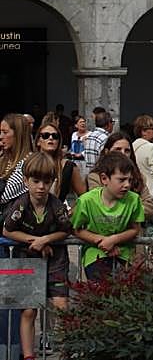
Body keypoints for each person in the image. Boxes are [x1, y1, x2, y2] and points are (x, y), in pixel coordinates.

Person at [2, 153, 72, 360]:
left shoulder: (56, 205)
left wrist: (47, 239)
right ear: (26, 181)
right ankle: (28, 355)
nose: (41, 187)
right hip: (28, 258)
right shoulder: (20, 204)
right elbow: (7, 230)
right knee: (29, 310)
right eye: (36, 181)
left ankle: (66, 351)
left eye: (46, 181)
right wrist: (35, 241)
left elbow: (66, 230)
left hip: (56, 259)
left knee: (61, 305)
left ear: (53, 182)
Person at [72, 152, 144, 281]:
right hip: (95, 253)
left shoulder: (134, 200)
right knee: (100, 286)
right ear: (104, 179)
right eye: (121, 180)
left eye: (130, 180)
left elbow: (135, 229)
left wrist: (114, 240)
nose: (127, 185)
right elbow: (76, 229)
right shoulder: (86, 201)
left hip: (123, 253)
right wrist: (101, 241)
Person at [86, 132, 153, 220]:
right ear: (107, 151)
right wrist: (132, 208)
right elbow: (99, 208)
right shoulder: (95, 177)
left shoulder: (138, 177)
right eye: (118, 149)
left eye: (127, 151)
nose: (123, 153)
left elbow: (149, 209)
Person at [34, 121, 86, 202]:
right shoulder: (29, 163)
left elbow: (84, 197)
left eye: (55, 136)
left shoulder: (68, 166)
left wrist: (72, 209)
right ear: (38, 141)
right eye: (45, 135)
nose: (50, 138)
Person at [0, 113, 32, 212]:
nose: (1, 136)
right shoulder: (5, 159)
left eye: (5, 132)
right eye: (0, 132)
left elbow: (4, 196)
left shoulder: (27, 163)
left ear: (18, 135)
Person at [131, 114, 153, 197]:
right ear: (143, 131)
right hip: (151, 193)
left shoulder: (131, 147)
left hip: (136, 192)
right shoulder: (152, 148)